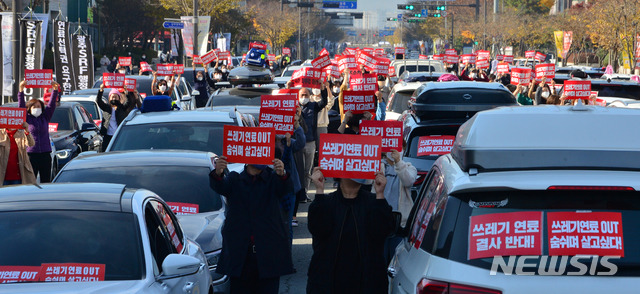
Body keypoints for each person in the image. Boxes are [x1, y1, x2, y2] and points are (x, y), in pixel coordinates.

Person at [210, 156, 294, 294]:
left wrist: (282, 174)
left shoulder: (273, 179)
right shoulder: (235, 179)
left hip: (268, 255)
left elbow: (286, 189)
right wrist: (218, 173)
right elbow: (220, 186)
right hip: (242, 256)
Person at [307, 168, 394, 294]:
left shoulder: (374, 203)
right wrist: (319, 191)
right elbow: (318, 230)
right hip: (329, 283)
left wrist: (380, 194)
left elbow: (382, 232)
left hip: (367, 283)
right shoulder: (326, 202)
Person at [18, 80, 59, 183]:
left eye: (39, 106)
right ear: (29, 108)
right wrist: (21, 90)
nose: (37, 108)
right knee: (31, 181)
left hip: (45, 154)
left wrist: (55, 89)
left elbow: (51, 105)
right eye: (34, 107)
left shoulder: (45, 117)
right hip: (31, 155)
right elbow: (21, 106)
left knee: (46, 181)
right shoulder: (27, 118)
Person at [96, 85, 131, 151]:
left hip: (119, 135)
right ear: (109, 98)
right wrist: (101, 90)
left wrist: (126, 92)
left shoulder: (122, 108)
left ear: (119, 98)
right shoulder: (106, 108)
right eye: (112, 97)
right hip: (107, 136)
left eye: (116, 97)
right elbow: (99, 101)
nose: (114, 99)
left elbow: (128, 102)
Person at [0, 122, 36, 186]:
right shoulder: (1, 133)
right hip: (3, 175)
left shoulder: (21, 133)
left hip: (18, 175)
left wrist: (27, 131)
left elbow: (31, 143)